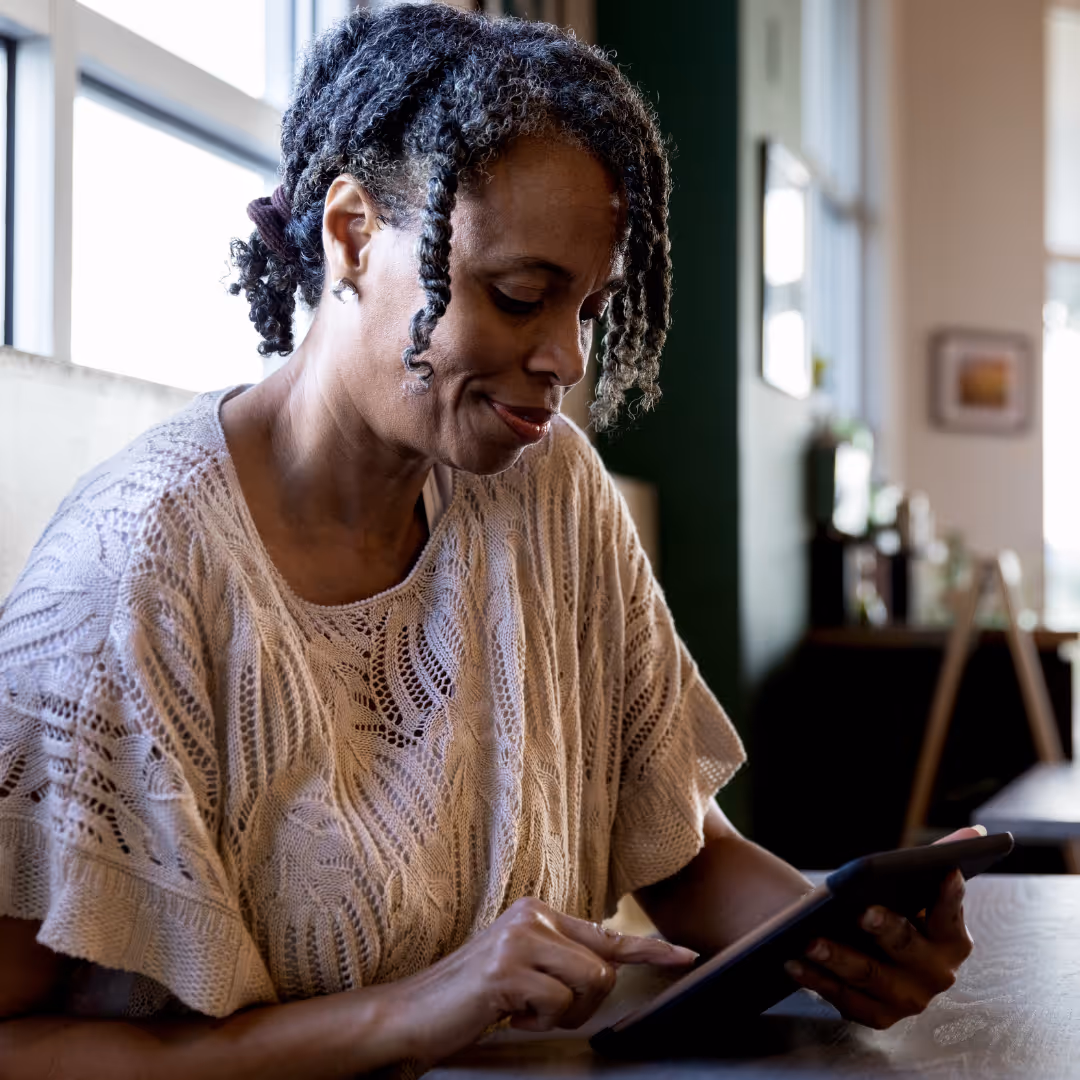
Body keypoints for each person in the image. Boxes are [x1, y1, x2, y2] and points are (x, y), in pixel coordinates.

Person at [0, 5, 976, 1078]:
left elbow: (680, 851)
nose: (562, 357)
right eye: (519, 296)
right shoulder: (131, 575)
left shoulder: (546, 489)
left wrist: (842, 935)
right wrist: (413, 1012)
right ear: (354, 235)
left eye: (591, 309)